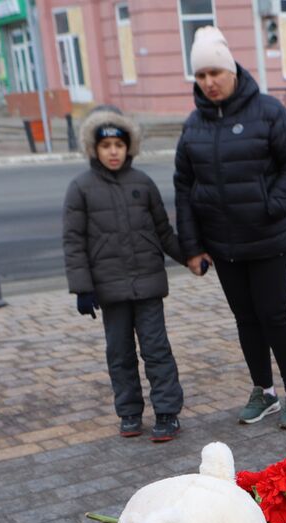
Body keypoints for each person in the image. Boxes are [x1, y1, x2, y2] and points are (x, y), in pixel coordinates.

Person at [173, 27, 286, 429]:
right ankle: (263, 391)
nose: (209, 82)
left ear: (232, 69)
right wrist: (192, 246)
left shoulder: (267, 111)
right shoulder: (193, 126)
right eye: (200, 76)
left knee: (274, 314)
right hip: (223, 242)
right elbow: (184, 187)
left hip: (269, 237)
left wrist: (274, 205)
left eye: (215, 72)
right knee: (246, 318)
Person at [63, 107, 188, 441]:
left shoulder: (142, 184)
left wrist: (190, 257)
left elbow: (163, 231)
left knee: (156, 350)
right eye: (106, 147)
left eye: (119, 145)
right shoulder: (81, 188)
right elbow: (74, 242)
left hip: (147, 283)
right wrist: (82, 288)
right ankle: (130, 411)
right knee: (119, 353)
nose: (113, 152)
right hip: (110, 289)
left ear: (128, 147)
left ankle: (167, 412)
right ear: (95, 149)